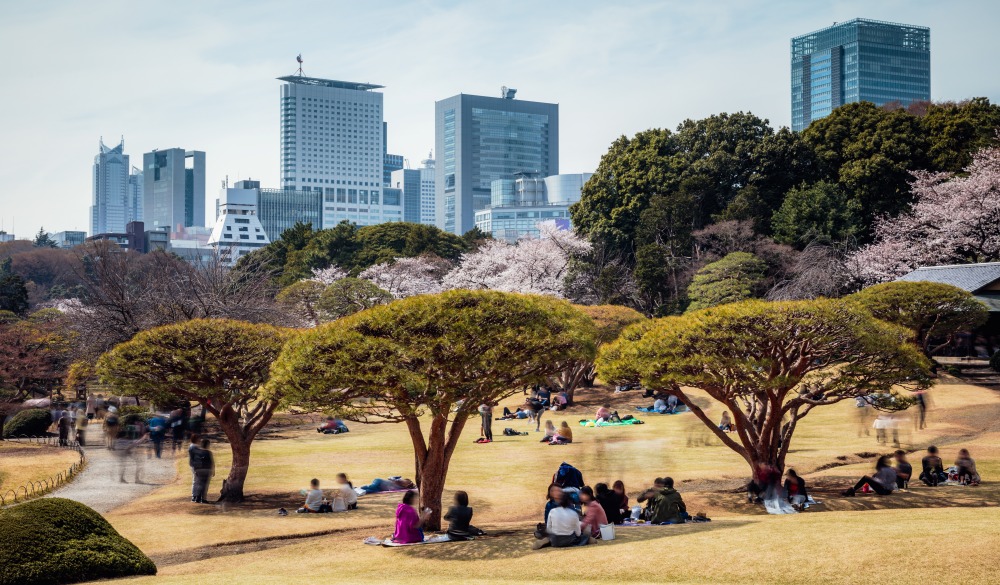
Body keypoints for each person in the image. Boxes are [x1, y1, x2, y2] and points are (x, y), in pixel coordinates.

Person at [191, 438, 215, 503]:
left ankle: (197, 498)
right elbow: (212, 462)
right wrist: (213, 471)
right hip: (207, 470)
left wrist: (195, 470)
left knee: (199, 484)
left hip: (199, 470)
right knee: (205, 485)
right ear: (207, 445)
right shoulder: (209, 453)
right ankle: (203, 498)